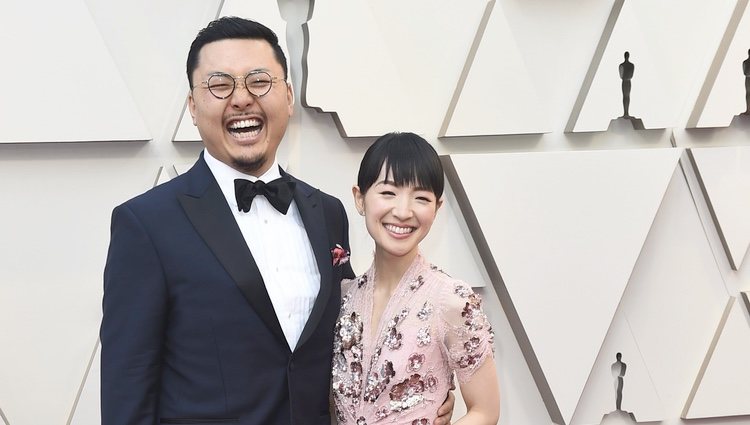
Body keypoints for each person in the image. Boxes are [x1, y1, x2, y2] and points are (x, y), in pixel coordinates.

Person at [99, 17, 454, 425]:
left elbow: (357, 330)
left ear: (287, 96)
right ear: (193, 107)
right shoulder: (146, 224)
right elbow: (128, 386)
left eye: (259, 82)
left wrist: (419, 388)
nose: (241, 99)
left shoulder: (328, 212)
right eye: (219, 85)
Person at [332, 132, 500, 424]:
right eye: (388, 192)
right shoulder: (344, 297)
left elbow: (485, 411)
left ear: (436, 207)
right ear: (360, 199)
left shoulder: (451, 299)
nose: (403, 211)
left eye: (420, 197)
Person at [619, 51, 634, 118]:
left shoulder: (625, 65)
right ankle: (625, 112)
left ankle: (626, 112)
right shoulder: (629, 65)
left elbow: (628, 75)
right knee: (625, 96)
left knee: (626, 96)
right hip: (626, 81)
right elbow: (622, 76)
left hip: (626, 81)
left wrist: (626, 76)